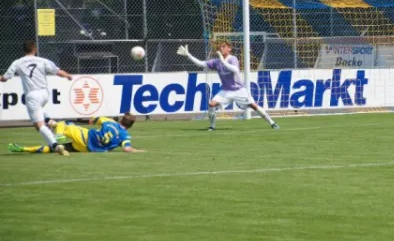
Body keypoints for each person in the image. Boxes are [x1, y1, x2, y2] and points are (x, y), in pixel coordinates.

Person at [176, 40, 279, 131]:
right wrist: (188, 55)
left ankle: (272, 123)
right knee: (211, 104)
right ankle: (212, 126)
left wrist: (223, 61)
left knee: (253, 105)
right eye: (220, 47)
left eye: (223, 46)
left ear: (229, 49)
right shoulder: (216, 62)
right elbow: (201, 64)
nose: (221, 48)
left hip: (239, 90)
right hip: (226, 91)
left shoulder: (233, 59)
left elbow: (234, 69)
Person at [0, 40, 72, 156]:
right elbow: (57, 71)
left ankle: (56, 145)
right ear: (35, 49)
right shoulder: (42, 60)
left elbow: (5, 78)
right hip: (44, 94)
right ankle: (52, 123)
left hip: (32, 95)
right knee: (39, 110)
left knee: (39, 126)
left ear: (23, 50)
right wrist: (67, 75)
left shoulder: (17, 62)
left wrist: (2, 78)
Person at [8, 114, 145, 154]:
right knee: (55, 149)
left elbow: (93, 120)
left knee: (64, 124)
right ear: (129, 126)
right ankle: (23, 149)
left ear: (121, 119)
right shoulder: (125, 136)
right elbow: (127, 149)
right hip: (89, 149)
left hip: (86, 137)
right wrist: (140, 150)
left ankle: (58, 135)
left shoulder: (109, 121)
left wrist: (92, 120)